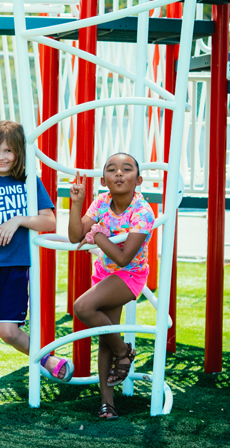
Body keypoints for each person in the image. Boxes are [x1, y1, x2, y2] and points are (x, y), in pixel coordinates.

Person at [0, 120, 73, 413]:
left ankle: (46, 359)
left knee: (9, 331)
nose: (2, 157)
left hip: (15, 266)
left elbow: (49, 221)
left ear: (19, 152)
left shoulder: (29, 181)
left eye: (9, 150)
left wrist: (18, 220)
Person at [69, 152, 155, 420]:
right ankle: (108, 404)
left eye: (126, 169)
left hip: (129, 275)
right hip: (105, 274)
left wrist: (98, 235)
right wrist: (77, 204)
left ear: (138, 179)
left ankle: (123, 351)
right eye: (112, 169)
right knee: (106, 335)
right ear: (104, 180)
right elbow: (75, 236)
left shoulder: (143, 210)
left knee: (82, 307)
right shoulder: (102, 202)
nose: (119, 173)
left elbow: (123, 257)